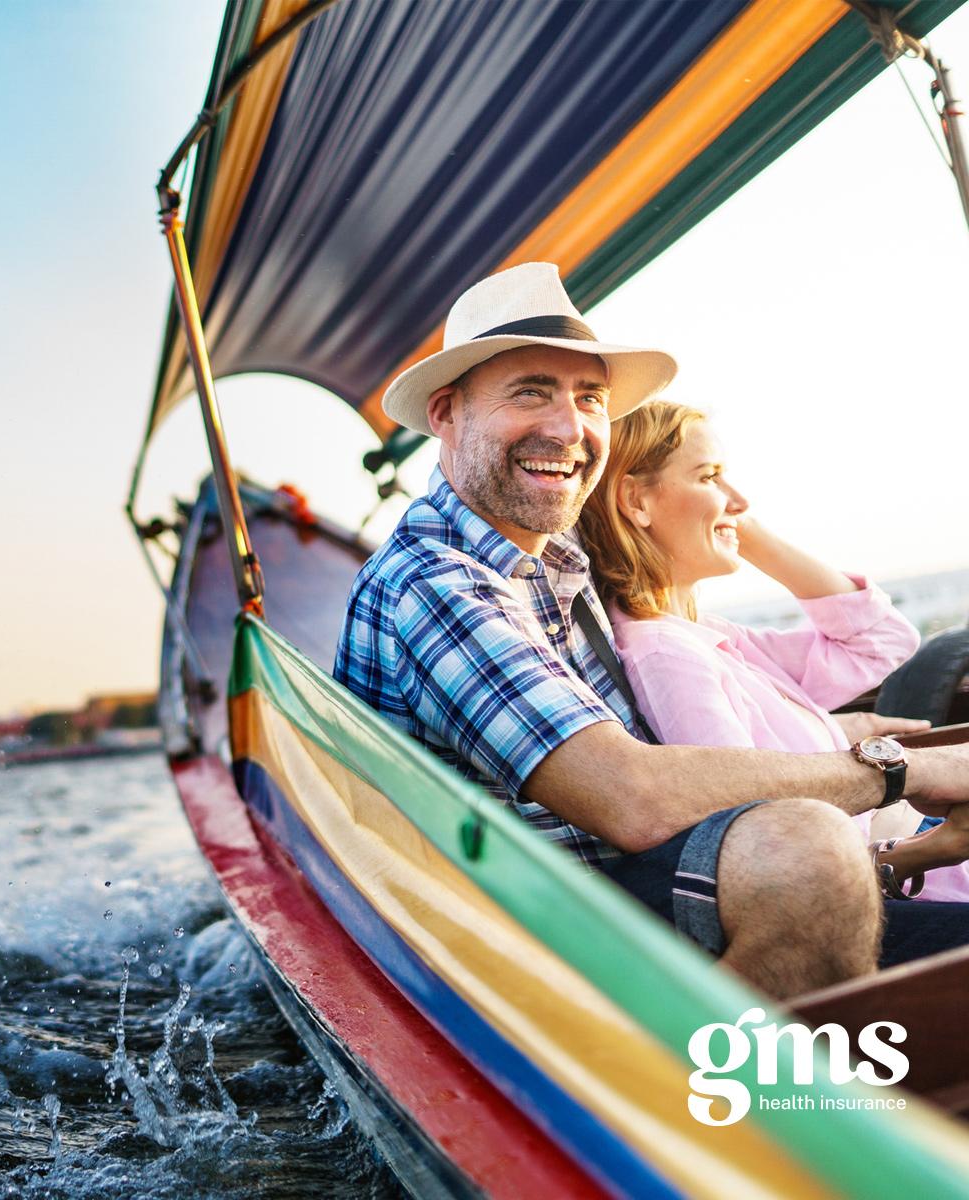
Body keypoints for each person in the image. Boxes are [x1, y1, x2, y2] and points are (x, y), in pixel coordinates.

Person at [334, 261, 969, 999]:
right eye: (530, 392)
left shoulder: (561, 560)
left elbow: (850, 645)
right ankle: (713, 1103)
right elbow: (629, 796)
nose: (568, 427)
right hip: (524, 937)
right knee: (805, 849)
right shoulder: (435, 583)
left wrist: (848, 725)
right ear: (446, 414)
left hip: (627, 887)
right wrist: (901, 770)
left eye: (590, 399)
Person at [576, 399, 969, 903]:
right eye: (709, 476)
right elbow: (768, 836)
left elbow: (881, 641)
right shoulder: (667, 656)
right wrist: (934, 849)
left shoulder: (713, 639)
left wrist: (739, 527)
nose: (738, 498)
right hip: (893, 882)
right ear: (637, 501)